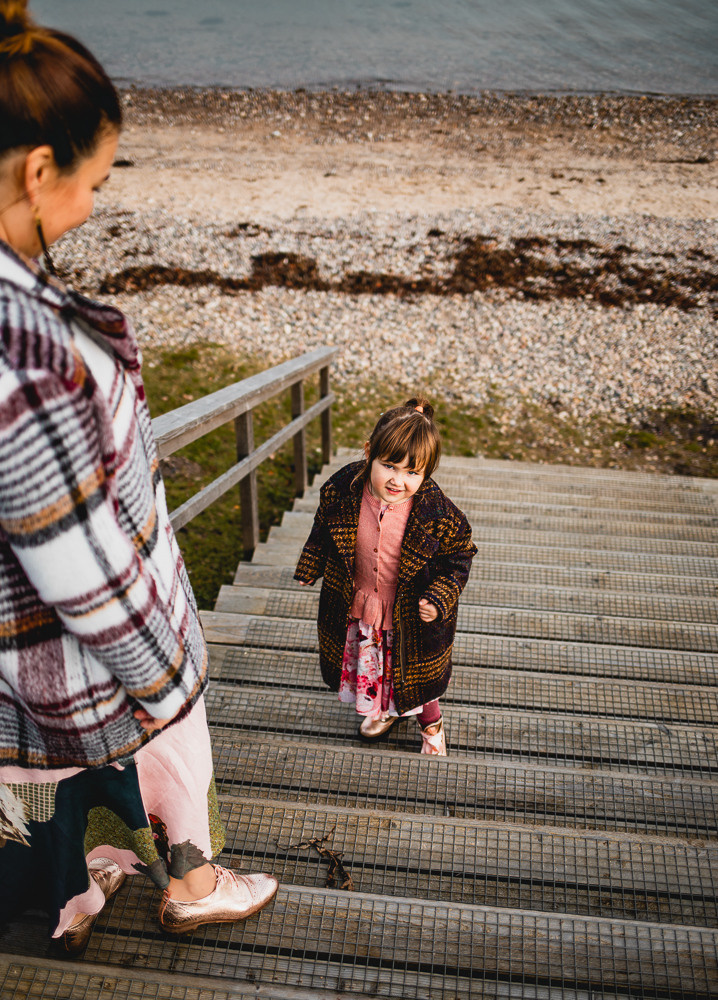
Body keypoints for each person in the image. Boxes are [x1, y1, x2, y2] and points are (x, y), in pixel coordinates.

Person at [0, 0, 277, 955]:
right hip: (72, 651)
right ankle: (192, 882)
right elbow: (82, 574)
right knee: (154, 741)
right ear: (39, 172)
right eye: (96, 177)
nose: (93, 201)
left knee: (49, 782)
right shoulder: (26, 355)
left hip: (22, 670)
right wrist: (175, 673)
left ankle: (73, 888)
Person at [294, 398, 477, 755]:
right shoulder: (343, 489)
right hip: (361, 604)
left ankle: (431, 727)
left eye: (412, 472)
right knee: (378, 669)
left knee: (415, 674)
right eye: (389, 466)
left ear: (427, 473)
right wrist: (312, 563)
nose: (397, 480)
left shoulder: (436, 511)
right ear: (369, 453)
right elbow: (324, 526)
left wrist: (440, 596)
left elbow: (460, 554)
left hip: (411, 612)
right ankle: (384, 711)